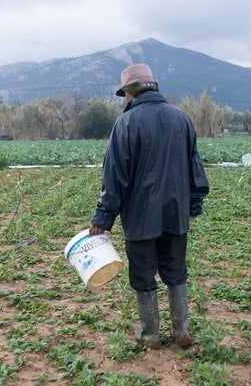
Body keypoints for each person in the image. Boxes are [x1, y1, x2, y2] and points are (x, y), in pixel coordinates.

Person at [89, 63, 209, 349]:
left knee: (143, 274)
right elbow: (195, 168)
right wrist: (193, 204)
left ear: (129, 93)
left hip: (141, 218)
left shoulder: (126, 123)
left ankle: (151, 335)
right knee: (176, 270)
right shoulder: (181, 118)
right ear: (153, 86)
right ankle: (181, 331)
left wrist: (103, 217)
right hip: (175, 214)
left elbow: (114, 177)